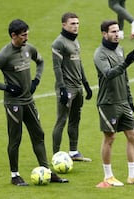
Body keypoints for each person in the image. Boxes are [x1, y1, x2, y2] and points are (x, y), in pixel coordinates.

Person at [0, 19, 68, 186]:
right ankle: (15, 176)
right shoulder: (4, 55)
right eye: (23, 35)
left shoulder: (29, 49)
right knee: (15, 139)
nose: (26, 38)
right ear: (14, 36)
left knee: (39, 135)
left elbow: (40, 62)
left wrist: (36, 80)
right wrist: (6, 88)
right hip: (13, 103)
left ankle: (47, 171)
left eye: (27, 34)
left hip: (29, 100)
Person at [93, 20, 134, 186]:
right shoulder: (100, 54)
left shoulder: (120, 50)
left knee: (133, 135)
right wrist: (126, 62)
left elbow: (124, 77)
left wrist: (130, 98)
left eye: (118, 31)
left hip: (123, 101)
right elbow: (109, 74)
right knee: (110, 138)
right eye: (113, 31)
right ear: (104, 34)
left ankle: (133, 175)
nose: (117, 34)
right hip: (108, 102)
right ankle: (108, 176)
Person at [51, 12, 93, 162]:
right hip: (67, 88)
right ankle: (56, 155)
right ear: (64, 25)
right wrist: (62, 88)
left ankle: (74, 152)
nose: (76, 26)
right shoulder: (59, 43)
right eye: (72, 24)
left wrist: (86, 84)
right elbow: (56, 68)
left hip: (77, 87)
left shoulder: (75, 42)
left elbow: (79, 63)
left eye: (77, 23)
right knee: (61, 120)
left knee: (75, 119)